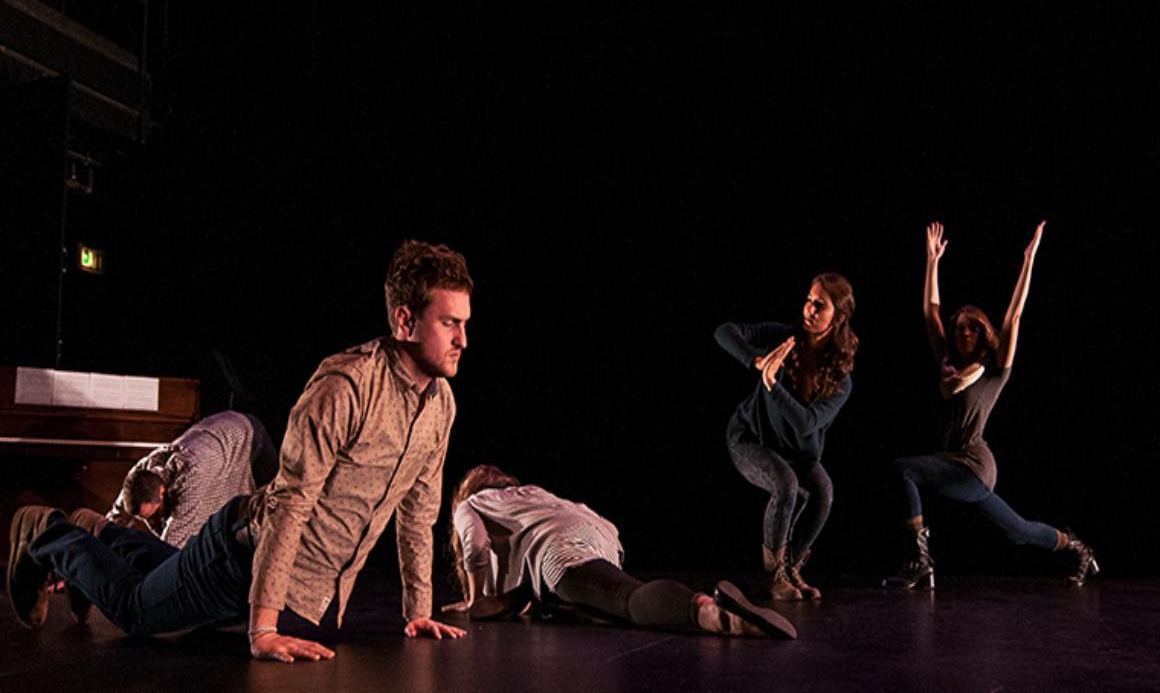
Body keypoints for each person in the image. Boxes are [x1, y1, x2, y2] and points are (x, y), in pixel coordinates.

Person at [7, 239, 473, 661]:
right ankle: (48, 534)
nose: (462, 340)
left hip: (279, 577)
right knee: (135, 612)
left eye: (464, 324)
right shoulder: (345, 387)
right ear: (405, 320)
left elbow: (418, 511)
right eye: (449, 323)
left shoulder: (440, 405)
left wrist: (417, 610)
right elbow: (291, 503)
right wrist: (263, 629)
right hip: (240, 560)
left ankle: (104, 534)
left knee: (164, 585)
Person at [885, 221, 1097, 589]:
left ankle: (920, 561)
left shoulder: (994, 371)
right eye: (960, 328)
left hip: (973, 466)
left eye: (973, 327)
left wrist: (1028, 260)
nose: (965, 332)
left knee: (905, 469)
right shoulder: (947, 364)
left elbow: (1013, 315)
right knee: (1018, 530)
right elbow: (931, 313)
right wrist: (932, 261)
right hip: (954, 463)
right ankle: (1079, 549)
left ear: (983, 332)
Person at [443, 465, 796, 639]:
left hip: (561, 548)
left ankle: (716, 615)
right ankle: (701, 608)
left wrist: (476, 600)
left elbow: (475, 547)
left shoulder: (472, 502)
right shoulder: (532, 493)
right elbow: (518, 592)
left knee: (629, 599)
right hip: (599, 533)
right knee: (608, 604)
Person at [714, 274, 858, 601]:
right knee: (785, 485)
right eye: (808, 299)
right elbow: (724, 331)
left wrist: (772, 385)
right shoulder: (784, 337)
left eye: (819, 305)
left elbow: (807, 424)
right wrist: (756, 360)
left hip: (796, 450)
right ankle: (774, 574)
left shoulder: (840, 378)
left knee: (823, 492)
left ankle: (791, 568)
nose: (808, 309)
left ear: (838, 318)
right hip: (750, 439)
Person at [106, 410, 278, 547]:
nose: (151, 522)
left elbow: (171, 546)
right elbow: (117, 515)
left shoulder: (191, 477)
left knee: (275, 508)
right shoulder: (141, 474)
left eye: (153, 514)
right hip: (213, 437)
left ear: (162, 491)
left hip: (247, 437)